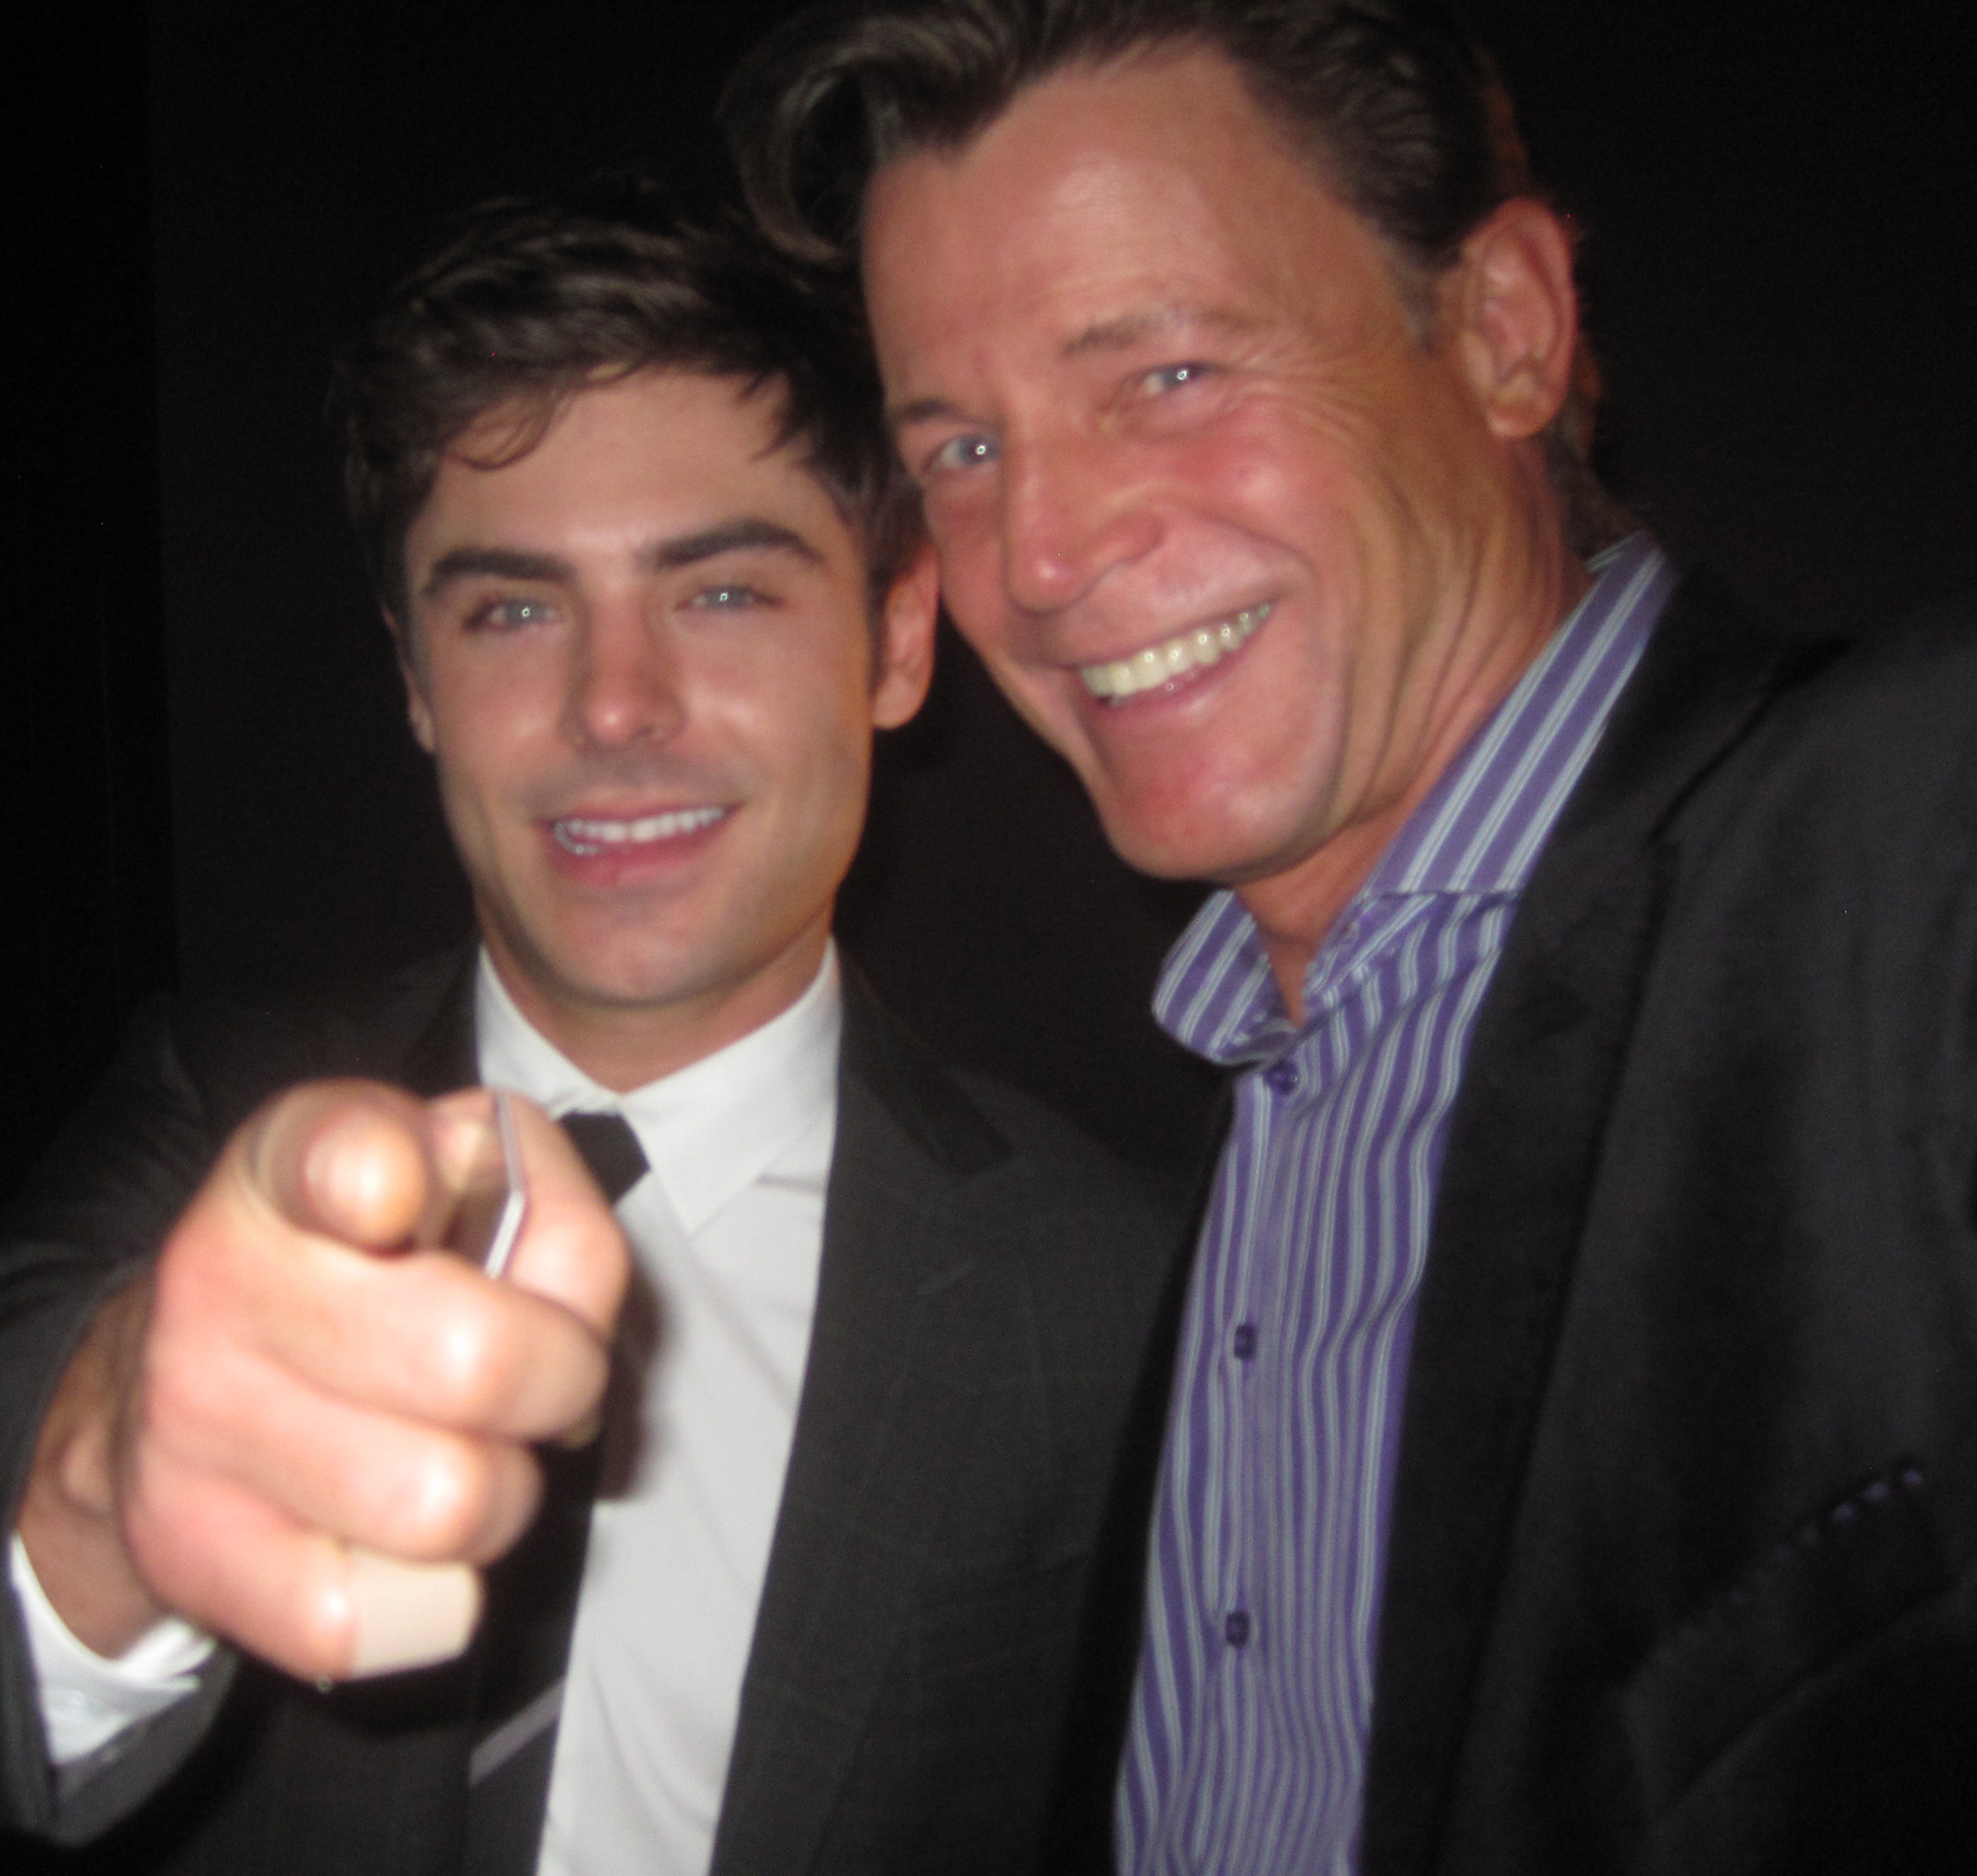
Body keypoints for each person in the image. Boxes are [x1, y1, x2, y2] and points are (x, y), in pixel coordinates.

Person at [724, 2, 1977, 1869]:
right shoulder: (1239, 1131)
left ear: (1501, 332)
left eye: (1158, 375)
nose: (1039, 553)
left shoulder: (1913, 839)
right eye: (964, 448)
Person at [0, 183, 1181, 1874]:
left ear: (897, 638)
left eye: (720, 595)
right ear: (414, 678)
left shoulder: (1112, 1287)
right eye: (512, 609)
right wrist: (98, 1489)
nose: (612, 704)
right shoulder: (210, 1106)